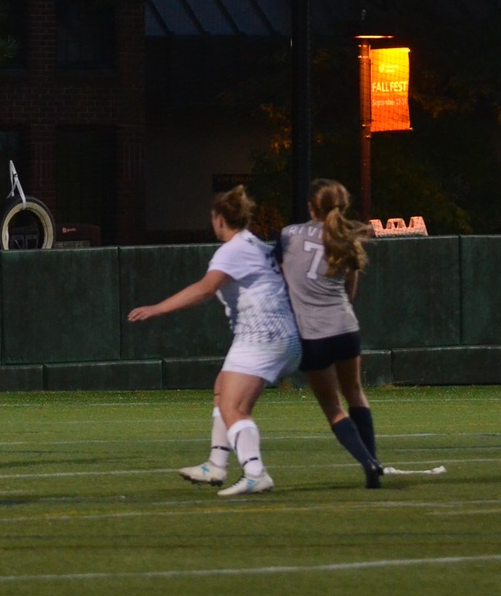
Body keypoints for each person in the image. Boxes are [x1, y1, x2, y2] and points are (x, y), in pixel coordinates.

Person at [127, 185, 300, 497]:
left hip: (262, 335)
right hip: (277, 333)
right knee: (223, 389)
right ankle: (216, 465)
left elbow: (205, 288)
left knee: (234, 407)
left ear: (221, 219)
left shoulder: (233, 250)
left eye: (213, 218)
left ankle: (255, 472)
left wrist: (157, 308)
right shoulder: (257, 246)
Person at [278, 179, 384, 489]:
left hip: (312, 335)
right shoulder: (347, 239)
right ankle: (375, 462)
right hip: (345, 327)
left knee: (333, 407)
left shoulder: (287, 235)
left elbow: (281, 274)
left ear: (312, 207)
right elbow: (350, 293)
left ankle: (367, 461)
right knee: (355, 392)